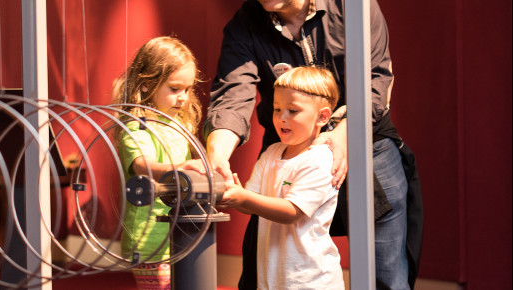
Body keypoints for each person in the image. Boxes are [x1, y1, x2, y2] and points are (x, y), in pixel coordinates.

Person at [204, 0, 423, 289]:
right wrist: (217, 155)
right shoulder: (245, 23)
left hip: (366, 136)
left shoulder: (352, 6)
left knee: (385, 269)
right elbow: (233, 96)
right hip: (288, 148)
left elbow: (376, 79)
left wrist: (344, 133)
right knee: (266, 261)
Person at [219, 66, 344, 289]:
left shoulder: (320, 159)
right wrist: (234, 194)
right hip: (273, 278)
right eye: (277, 110)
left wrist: (244, 198)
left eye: (292, 111)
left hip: (310, 281)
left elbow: (291, 211)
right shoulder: (271, 153)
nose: (281, 118)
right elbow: (252, 202)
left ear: (323, 116)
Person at [112, 36, 206, 290]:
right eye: (174, 89)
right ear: (146, 85)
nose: (183, 98)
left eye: (187, 89)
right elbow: (142, 164)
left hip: (180, 231)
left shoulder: (180, 125)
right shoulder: (137, 126)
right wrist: (178, 169)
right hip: (150, 239)